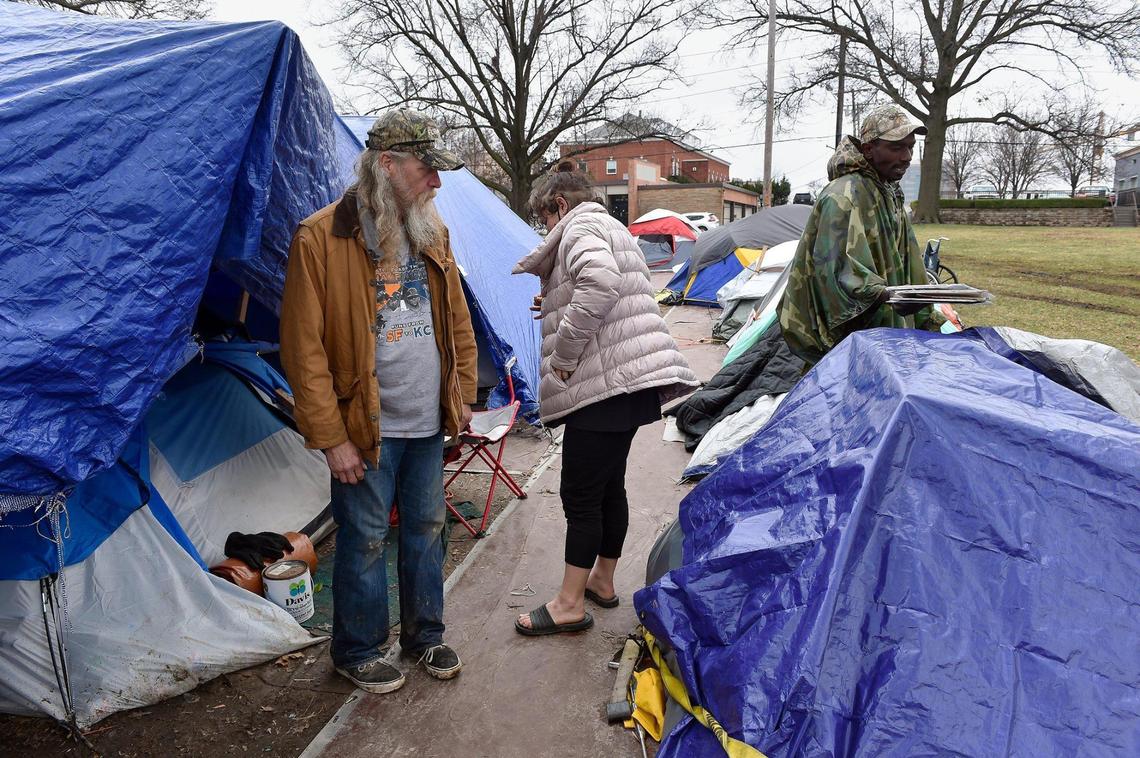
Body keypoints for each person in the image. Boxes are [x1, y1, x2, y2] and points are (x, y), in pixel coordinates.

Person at [280, 109, 477, 694]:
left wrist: (462, 394)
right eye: (427, 170)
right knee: (364, 541)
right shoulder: (320, 238)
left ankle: (425, 637)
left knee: (427, 529)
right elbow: (302, 349)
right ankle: (357, 649)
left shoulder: (431, 231)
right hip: (364, 429)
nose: (436, 183)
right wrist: (331, 437)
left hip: (425, 421)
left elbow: (457, 320)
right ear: (386, 165)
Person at [512, 161, 698, 636]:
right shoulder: (611, 225)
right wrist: (555, 298)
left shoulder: (580, 225)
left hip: (604, 385)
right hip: (627, 384)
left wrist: (566, 355)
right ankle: (602, 580)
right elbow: (608, 286)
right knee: (608, 486)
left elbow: (600, 283)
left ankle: (569, 604)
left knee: (580, 493)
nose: (547, 230)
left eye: (545, 221)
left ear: (559, 205)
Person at [779, 103, 944, 367]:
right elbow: (836, 277)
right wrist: (887, 296)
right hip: (851, 344)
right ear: (868, 149)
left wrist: (926, 313)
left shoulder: (890, 195)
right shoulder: (844, 196)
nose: (906, 156)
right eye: (896, 147)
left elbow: (910, 262)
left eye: (910, 147)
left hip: (889, 338)